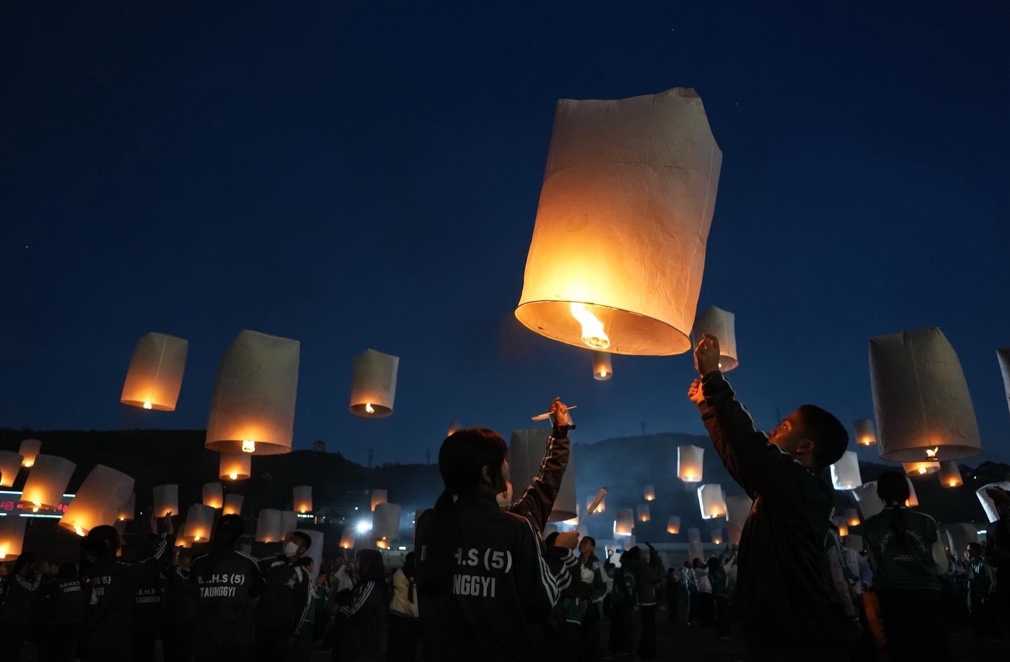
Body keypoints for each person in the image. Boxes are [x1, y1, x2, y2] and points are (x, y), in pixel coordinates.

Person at [687, 333, 851, 660]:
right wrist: (708, 407)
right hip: (777, 629)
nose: (773, 431)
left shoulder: (805, 488)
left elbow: (750, 447)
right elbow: (740, 459)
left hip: (801, 634)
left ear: (805, 447)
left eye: (785, 426)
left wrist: (714, 378)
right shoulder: (781, 490)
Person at [415, 422, 568, 660]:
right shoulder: (515, 529)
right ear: (487, 473)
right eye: (503, 460)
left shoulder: (429, 524)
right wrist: (558, 554)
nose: (507, 466)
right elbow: (542, 604)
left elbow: (542, 490)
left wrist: (559, 435)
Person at [862, 469, 950, 661]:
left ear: (880, 495)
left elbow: (875, 567)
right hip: (927, 595)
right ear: (907, 493)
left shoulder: (870, 526)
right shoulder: (926, 521)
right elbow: (942, 566)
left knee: (902, 651)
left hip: (891, 597)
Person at [77, 515, 172, 661]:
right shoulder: (122, 572)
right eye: (117, 535)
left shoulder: (88, 573)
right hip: (114, 648)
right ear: (109, 542)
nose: (121, 538)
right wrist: (166, 533)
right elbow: (156, 561)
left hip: (90, 647)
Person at [191, 513, 266, 661]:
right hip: (236, 644)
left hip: (205, 643)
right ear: (240, 537)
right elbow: (258, 591)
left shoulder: (199, 563)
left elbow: (193, 594)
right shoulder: (247, 563)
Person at [255, 530, 313, 660]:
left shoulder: (302, 575)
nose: (289, 544)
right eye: (289, 541)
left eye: (294, 543)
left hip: (281, 628)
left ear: (302, 550)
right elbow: (253, 569)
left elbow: (302, 605)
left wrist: (294, 632)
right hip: (260, 623)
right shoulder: (273, 562)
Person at [36, 562, 88, 662]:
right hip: (76, 622)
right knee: (67, 651)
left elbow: (44, 595)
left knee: (54, 650)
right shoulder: (80, 582)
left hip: (58, 622)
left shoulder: (56, 583)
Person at [0, 552, 42, 662]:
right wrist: (38, 577)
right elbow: (31, 589)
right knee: (9, 651)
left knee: (14, 650)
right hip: (10, 621)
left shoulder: (23, 579)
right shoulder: (17, 578)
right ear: (27, 564)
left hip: (19, 621)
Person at [624, 544, 663, 659]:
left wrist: (653, 554)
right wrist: (661, 566)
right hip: (648, 599)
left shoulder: (634, 565)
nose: (644, 554)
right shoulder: (642, 566)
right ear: (639, 555)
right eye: (642, 552)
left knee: (645, 626)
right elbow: (656, 577)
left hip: (640, 599)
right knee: (650, 628)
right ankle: (648, 652)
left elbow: (650, 567)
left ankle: (642, 650)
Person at [985, 484, 1010, 636]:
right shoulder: (992, 528)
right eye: (999, 506)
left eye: (1005, 505)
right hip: (1004, 576)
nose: (1002, 509)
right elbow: (989, 555)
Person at [577, 536, 608, 662]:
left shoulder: (596, 564)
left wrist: (589, 599)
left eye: (586, 543)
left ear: (592, 548)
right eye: (581, 542)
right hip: (578, 604)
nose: (582, 544)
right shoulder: (576, 562)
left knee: (591, 634)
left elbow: (603, 587)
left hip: (591, 605)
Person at [386, 551, 420, 662]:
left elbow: (391, 588)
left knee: (394, 649)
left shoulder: (397, 573)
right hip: (414, 618)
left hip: (398, 616)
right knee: (410, 650)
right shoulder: (422, 575)